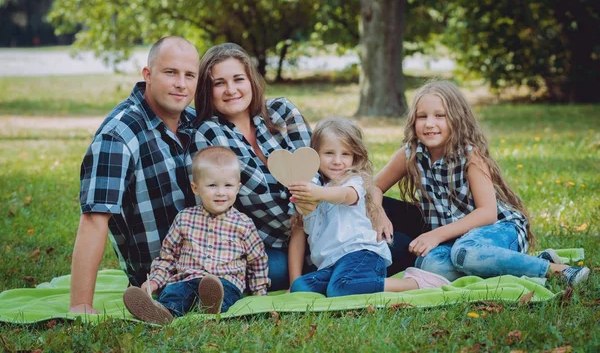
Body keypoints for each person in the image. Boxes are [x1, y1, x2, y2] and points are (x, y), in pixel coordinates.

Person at [190, 43, 424, 290]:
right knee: (276, 271)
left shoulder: (282, 111)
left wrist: (376, 210)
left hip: (339, 208)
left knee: (411, 230)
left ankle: (445, 251)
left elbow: (322, 166)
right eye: (219, 83)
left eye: (238, 79)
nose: (231, 90)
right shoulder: (211, 135)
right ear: (208, 89)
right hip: (283, 238)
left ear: (251, 81)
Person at [373, 80, 590, 285]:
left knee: (466, 253)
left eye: (440, 115)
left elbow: (488, 213)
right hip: (454, 240)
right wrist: (379, 215)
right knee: (429, 265)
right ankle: (521, 262)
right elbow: (373, 186)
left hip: (498, 228)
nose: (430, 124)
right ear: (413, 121)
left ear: (457, 119)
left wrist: (435, 234)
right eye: (422, 117)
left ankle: (557, 271)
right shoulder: (410, 154)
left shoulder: (469, 156)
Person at [69, 36, 200, 314]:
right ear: (148, 75)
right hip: (158, 277)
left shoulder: (193, 121)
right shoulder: (119, 135)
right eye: (170, 73)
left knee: (289, 265)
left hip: (212, 259)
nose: (181, 83)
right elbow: (94, 218)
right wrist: (81, 304)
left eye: (190, 75)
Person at [287, 117, 450, 297]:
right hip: (330, 264)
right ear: (315, 154)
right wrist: (293, 281)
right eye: (329, 153)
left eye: (345, 154)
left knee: (341, 289)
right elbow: (298, 233)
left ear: (355, 157)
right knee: (301, 287)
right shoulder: (311, 191)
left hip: (361, 254)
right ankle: (349, 283)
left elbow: (345, 196)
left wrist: (317, 193)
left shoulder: (353, 182)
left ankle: (414, 283)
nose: (337, 161)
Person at [122, 146, 269, 324]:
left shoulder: (243, 224)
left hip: (225, 281)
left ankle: (210, 305)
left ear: (238, 188)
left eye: (228, 185)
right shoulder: (184, 218)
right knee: (175, 294)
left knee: (223, 291)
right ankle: (161, 312)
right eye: (212, 185)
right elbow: (168, 258)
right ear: (196, 188)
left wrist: (260, 293)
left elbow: (257, 260)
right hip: (187, 278)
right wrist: (154, 282)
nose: (221, 192)